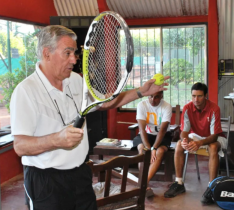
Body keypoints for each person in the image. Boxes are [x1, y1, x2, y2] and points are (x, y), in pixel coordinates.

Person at [10, 25, 170, 210]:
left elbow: (106, 102)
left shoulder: (75, 80)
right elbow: (20, 146)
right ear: (47, 53)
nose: (74, 59)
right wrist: (57, 139)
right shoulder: (26, 91)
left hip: (80, 174)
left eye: (75, 53)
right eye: (67, 53)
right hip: (47, 181)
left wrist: (141, 92)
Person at [163, 82, 226, 205]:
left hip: (215, 137)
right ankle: (179, 183)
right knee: (180, 144)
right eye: (193, 96)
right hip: (197, 135)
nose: (196, 99)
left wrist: (199, 143)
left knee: (213, 147)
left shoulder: (214, 108)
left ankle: (211, 188)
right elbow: (184, 131)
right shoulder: (187, 108)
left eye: (199, 96)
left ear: (206, 96)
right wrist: (184, 140)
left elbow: (214, 136)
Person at [133, 91, 172, 197]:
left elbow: (163, 130)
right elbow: (141, 129)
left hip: (162, 136)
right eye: (151, 96)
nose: (153, 100)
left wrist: (154, 148)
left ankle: (142, 183)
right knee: (142, 151)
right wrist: (149, 149)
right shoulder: (142, 105)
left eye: (156, 97)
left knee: (159, 152)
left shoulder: (166, 106)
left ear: (161, 96)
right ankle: (144, 185)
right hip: (146, 135)